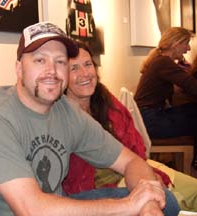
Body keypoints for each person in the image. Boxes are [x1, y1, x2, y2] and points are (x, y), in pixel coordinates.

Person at [0, 21, 179, 216]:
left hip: (59, 207)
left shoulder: (65, 110)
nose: (52, 71)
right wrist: (128, 206)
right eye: (40, 60)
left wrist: (147, 205)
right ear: (19, 68)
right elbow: (31, 209)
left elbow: (131, 161)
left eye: (60, 61)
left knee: (166, 202)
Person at [63, 41, 197, 211]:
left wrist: (146, 173)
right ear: (61, 75)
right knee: (171, 202)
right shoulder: (61, 115)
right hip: (105, 186)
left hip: (136, 168)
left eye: (88, 64)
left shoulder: (105, 99)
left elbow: (135, 146)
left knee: (194, 191)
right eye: (73, 68)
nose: (84, 73)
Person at [134, 27, 197, 170]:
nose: (187, 49)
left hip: (147, 117)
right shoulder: (164, 62)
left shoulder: (159, 60)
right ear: (176, 43)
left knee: (193, 109)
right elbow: (192, 85)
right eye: (186, 43)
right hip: (151, 121)